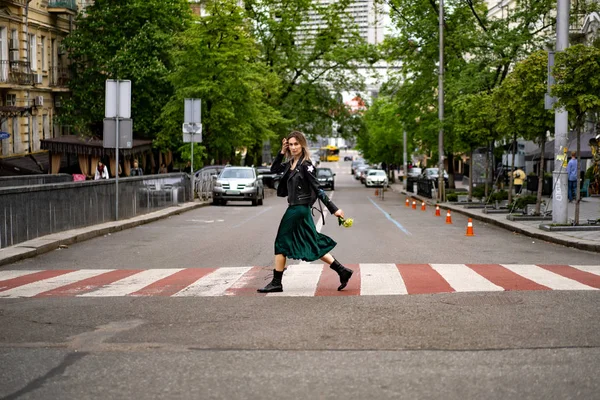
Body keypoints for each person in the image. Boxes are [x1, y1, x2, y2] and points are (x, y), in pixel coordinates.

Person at [258, 131, 353, 293]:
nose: (294, 147)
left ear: (302, 145)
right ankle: (342, 271)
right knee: (312, 242)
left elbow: (318, 188)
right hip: (296, 208)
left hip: (298, 209)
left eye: (296, 144)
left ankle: (276, 282)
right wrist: (282, 151)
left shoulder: (306, 165)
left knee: (281, 243)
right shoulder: (290, 164)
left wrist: (334, 209)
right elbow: (274, 169)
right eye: (291, 144)